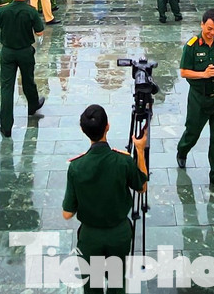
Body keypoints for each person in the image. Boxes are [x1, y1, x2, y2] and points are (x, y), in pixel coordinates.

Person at [62, 104, 149, 292]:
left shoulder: (76, 167)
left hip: (90, 238)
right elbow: (142, 187)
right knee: (117, 285)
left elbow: (67, 213)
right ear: (107, 126)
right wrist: (140, 151)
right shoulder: (123, 161)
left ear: (83, 130)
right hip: (118, 235)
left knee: (92, 287)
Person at [177, 8, 214, 195]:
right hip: (198, 99)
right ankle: (182, 151)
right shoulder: (192, 46)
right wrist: (203, 74)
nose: (212, 33)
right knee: (192, 133)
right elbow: (184, 72)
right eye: (209, 29)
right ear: (202, 25)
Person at [0, 0, 46, 137]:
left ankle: (6, 126)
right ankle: (32, 105)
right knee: (28, 80)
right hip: (24, 52)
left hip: (7, 52)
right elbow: (39, 32)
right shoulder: (30, 11)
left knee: (6, 88)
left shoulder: (4, 10)